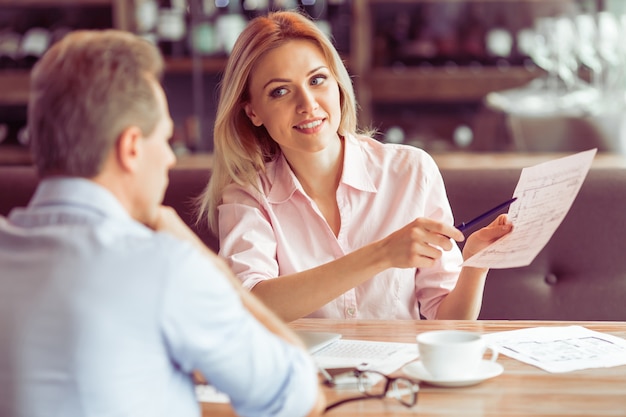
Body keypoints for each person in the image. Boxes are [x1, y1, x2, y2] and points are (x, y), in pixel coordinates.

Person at [0, 29, 325, 417]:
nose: (170, 160)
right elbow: (298, 396)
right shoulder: (167, 266)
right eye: (166, 140)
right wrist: (212, 269)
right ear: (131, 148)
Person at [198, 10, 513, 323]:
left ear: (337, 84)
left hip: (395, 370)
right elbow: (250, 306)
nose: (308, 104)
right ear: (253, 112)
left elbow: (449, 322)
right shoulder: (247, 196)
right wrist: (381, 254)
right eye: (280, 91)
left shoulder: (411, 171)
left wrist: (474, 264)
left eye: (317, 80)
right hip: (309, 371)